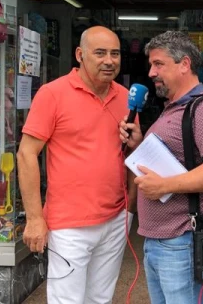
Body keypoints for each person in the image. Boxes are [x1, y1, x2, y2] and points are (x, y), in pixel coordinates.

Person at [17, 26, 137, 304]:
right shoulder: (52, 93)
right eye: (100, 53)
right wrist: (34, 219)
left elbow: (131, 151)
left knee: (101, 299)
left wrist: (130, 206)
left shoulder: (125, 97)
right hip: (69, 224)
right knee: (67, 300)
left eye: (115, 53)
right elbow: (26, 154)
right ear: (80, 55)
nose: (109, 61)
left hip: (115, 218)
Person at [119, 30, 203, 304]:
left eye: (158, 64)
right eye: (151, 64)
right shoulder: (173, 107)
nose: (151, 72)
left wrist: (164, 186)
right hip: (160, 241)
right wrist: (139, 144)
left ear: (184, 64)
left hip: (182, 241)